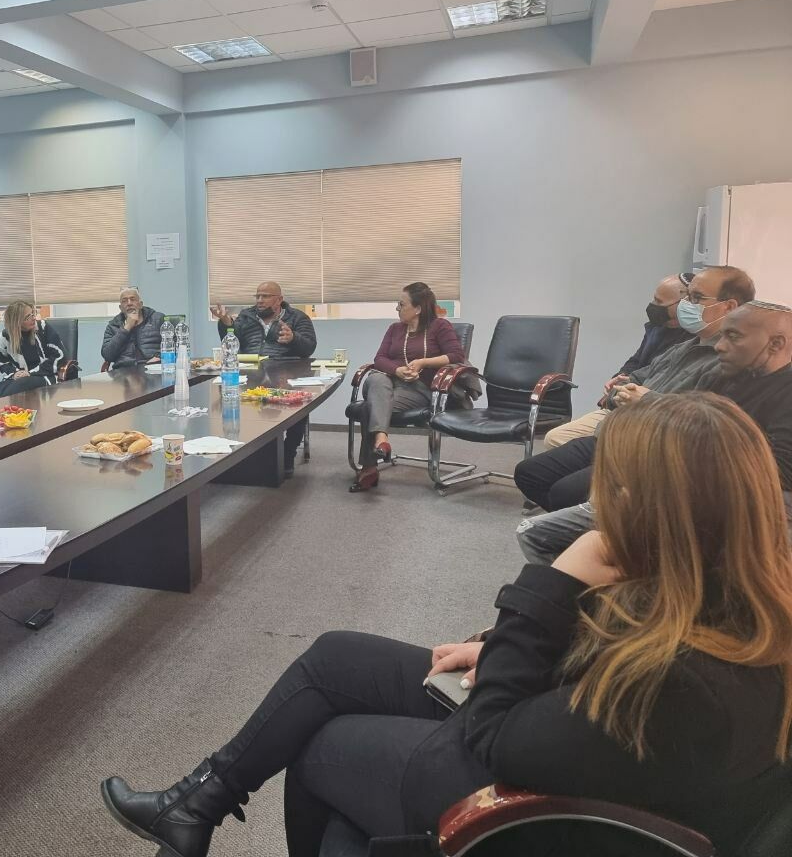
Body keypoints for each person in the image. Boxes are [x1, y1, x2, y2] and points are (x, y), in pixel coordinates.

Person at [102, 392, 792, 857]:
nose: (595, 501)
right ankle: (195, 804)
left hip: (532, 803)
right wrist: (496, 647)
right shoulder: (729, 591)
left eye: (605, 486)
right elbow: (596, 654)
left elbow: (497, 740)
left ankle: (198, 809)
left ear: (646, 506)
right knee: (337, 656)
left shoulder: (681, 677)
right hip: (568, 729)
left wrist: (551, 585)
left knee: (324, 747)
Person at [518, 301, 792, 564]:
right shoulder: (726, 376)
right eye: (722, 336)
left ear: (776, 344)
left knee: (550, 527)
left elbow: (779, 471)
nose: (720, 346)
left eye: (733, 337)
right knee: (535, 532)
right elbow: (691, 423)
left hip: (723, 497)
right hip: (675, 475)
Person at [515, 264, 754, 512]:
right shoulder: (684, 346)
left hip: (652, 450)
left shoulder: (728, 362)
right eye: (687, 297)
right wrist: (620, 392)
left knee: (564, 493)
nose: (687, 304)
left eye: (696, 298)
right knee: (529, 474)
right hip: (615, 434)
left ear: (729, 307)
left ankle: (600, 526)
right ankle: (591, 523)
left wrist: (646, 400)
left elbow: (703, 423)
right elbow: (635, 376)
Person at [542, 273, 694, 450]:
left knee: (569, 447)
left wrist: (628, 390)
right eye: (654, 298)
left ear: (684, 304)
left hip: (652, 413)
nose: (653, 305)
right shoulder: (657, 327)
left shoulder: (692, 340)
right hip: (624, 402)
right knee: (555, 438)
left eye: (659, 302)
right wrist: (621, 376)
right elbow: (637, 360)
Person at [211, 282, 317, 477]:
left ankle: (288, 453)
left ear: (279, 300)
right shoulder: (246, 316)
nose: (260, 300)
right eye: (258, 296)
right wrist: (226, 323)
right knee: (228, 401)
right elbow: (231, 341)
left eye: (265, 296)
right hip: (251, 374)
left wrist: (293, 338)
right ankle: (241, 454)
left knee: (298, 408)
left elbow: (309, 347)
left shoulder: (298, 317)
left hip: (286, 371)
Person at [361, 283, 466, 463]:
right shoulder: (394, 329)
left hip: (419, 389)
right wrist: (397, 370)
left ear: (418, 309)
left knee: (367, 408)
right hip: (387, 383)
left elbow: (456, 355)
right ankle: (381, 440)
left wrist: (423, 362)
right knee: (377, 379)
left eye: (401, 304)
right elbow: (379, 359)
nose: (397, 308)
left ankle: (370, 466)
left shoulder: (440, 326)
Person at [0, 300, 66, 398]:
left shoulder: (42, 328)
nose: (34, 318)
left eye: (33, 314)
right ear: (17, 322)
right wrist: (14, 373)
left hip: (44, 375)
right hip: (18, 379)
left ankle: (4, 406)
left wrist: (30, 373)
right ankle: (3, 407)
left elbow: (60, 356)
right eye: (28, 317)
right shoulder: (6, 336)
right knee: (3, 387)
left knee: (20, 385)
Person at [101, 287, 165, 369]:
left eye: (133, 299)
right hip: (123, 371)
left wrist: (160, 357)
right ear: (121, 308)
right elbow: (107, 355)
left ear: (140, 304)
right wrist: (126, 328)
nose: (129, 303)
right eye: (124, 301)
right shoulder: (113, 326)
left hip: (153, 368)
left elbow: (175, 344)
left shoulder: (158, 319)